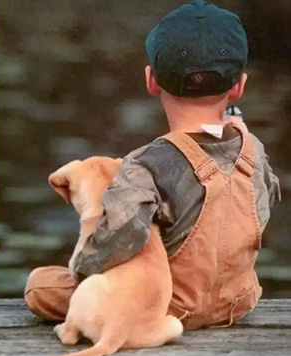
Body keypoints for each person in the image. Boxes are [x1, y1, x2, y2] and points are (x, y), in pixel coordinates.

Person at [24, 0, 281, 330]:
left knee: (41, 287)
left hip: (164, 304)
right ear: (238, 87)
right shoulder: (254, 151)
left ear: (151, 80)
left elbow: (121, 237)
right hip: (238, 300)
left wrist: (86, 270)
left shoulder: (145, 164)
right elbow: (263, 205)